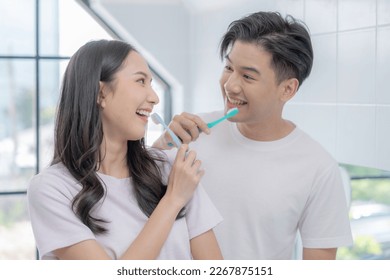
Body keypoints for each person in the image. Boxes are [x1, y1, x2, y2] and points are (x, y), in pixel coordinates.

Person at [153, 11, 353, 259]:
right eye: (228, 67)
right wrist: (160, 146)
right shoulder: (193, 131)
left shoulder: (318, 168)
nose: (230, 85)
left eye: (247, 76)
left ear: (287, 89)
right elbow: (135, 203)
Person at [27, 39, 223, 260]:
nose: (154, 97)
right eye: (141, 81)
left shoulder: (171, 169)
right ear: (101, 93)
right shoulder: (52, 189)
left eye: (151, 83)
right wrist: (173, 200)